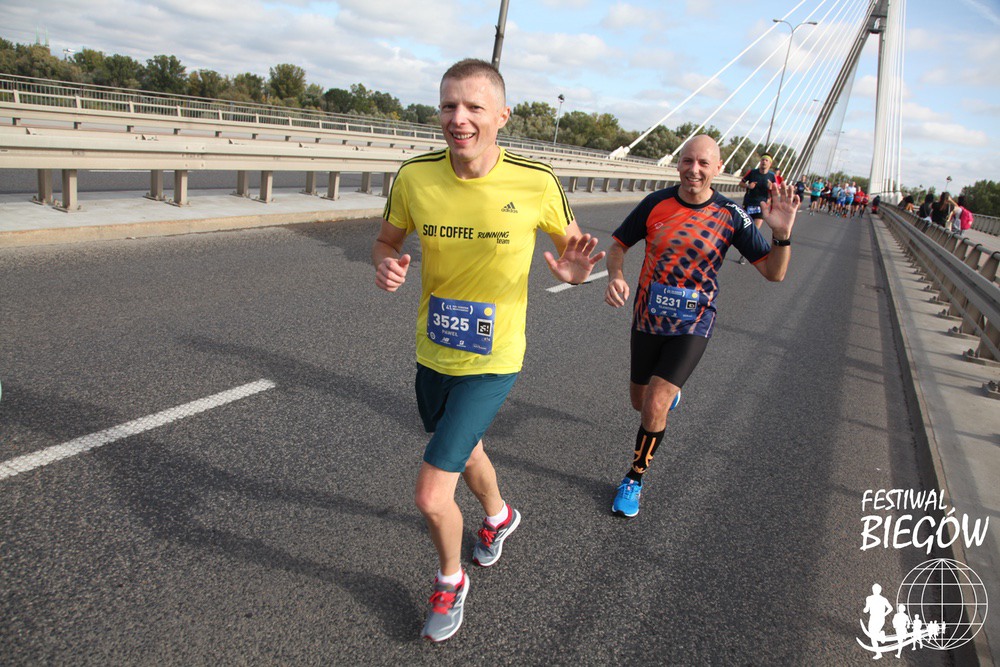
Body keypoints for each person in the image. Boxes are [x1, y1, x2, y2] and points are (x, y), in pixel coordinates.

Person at [372, 58, 604, 642]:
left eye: (474, 107)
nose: (460, 118)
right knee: (466, 446)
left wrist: (575, 273)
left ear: (502, 115)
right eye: (449, 105)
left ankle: (450, 581)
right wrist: (386, 264)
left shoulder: (536, 181)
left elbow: (573, 253)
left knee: (432, 494)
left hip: (495, 358)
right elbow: (386, 240)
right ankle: (499, 517)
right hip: (434, 349)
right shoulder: (415, 177)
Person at [603, 135, 799, 517]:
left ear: (718, 169)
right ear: (679, 164)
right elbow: (617, 247)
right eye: (688, 161)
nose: (694, 169)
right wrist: (615, 275)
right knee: (639, 402)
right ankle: (666, 394)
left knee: (655, 403)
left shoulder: (731, 215)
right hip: (647, 319)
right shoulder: (655, 204)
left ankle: (634, 478)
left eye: (703, 163)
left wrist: (781, 235)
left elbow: (774, 273)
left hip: (694, 322)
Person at [738, 153, 777, 264]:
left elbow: (776, 190)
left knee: (753, 231)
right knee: (745, 230)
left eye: (766, 160)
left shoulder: (772, 176)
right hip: (749, 204)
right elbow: (740, 183)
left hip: (761, 207)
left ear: (770, 164)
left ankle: (744, 255)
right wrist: (748, 186)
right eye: (763, 160)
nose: (764, 162)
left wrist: (771, 188)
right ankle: (742, 248)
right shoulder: (752, 172)